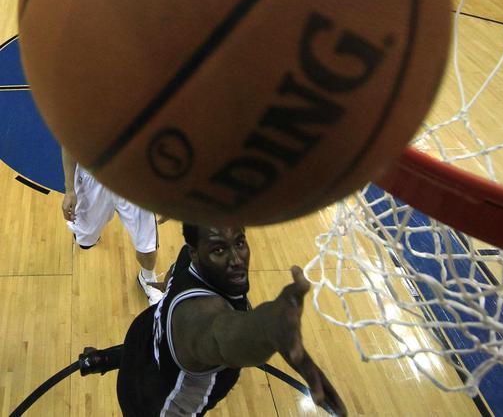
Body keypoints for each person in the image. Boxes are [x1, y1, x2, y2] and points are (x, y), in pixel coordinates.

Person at [117, 224, 347, 416]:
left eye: (239, 243)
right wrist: (267, 328)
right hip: (154, 409)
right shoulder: (198, 315)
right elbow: (225, 337)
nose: (237, 260)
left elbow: (172, 279)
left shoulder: (186, 257)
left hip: (140, 356)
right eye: (219, 250)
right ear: (196, 252)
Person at [61, 147, 163, 306]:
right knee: (85, 241)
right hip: (92, 181)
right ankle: (92, 232)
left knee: (147, 248)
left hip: (135, 182)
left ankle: (147, 278)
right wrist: (69, 190)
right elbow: (68, 145)